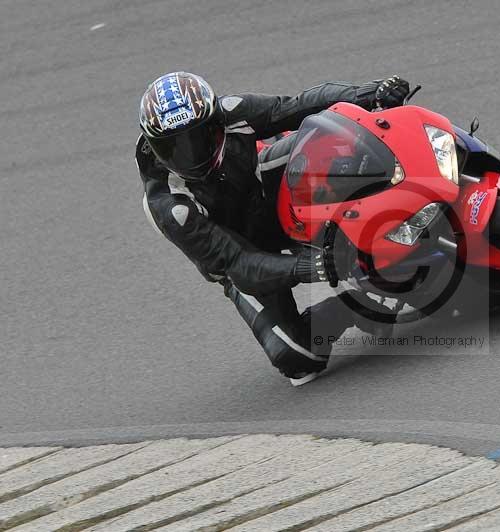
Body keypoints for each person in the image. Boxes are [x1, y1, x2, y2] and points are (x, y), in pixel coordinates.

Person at [136, 72, 410, 385]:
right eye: (173, 148)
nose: (189, 156)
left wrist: (371, 94)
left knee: (331, 137)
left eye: (196, 140)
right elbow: (241, 265)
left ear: (214, 123)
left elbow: (297, 106)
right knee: (296, 358)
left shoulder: (231, 112)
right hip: (242, 255)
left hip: (265, 190)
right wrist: (316, 266)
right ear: (154, 147)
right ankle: (345, 306)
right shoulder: (170, 206)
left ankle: (408, 179)